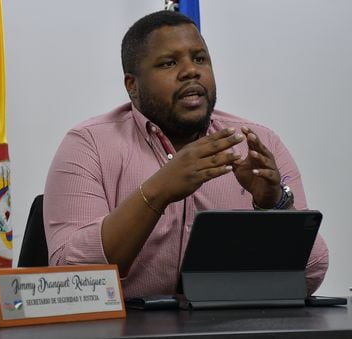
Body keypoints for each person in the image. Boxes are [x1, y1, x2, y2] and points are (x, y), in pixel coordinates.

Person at [43, 10, 328, 298]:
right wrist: (158, 191)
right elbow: (69, 278)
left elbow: (310, 275)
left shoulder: (256, 143)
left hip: (228, 326)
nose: (191, 70)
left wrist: (274, 205)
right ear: (132, 85)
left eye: (200, 59)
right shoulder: (88, 144)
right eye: (169, 63)